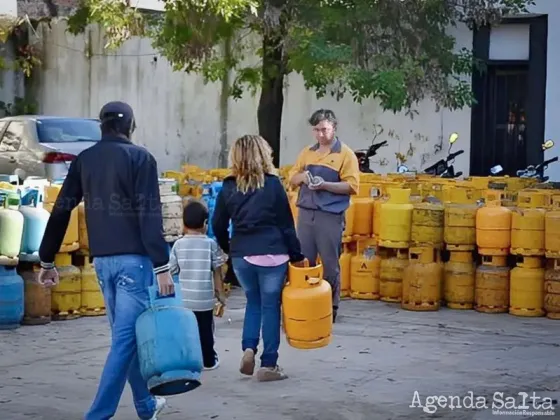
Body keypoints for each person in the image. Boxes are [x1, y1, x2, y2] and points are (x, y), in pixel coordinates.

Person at [37, 101, 174, 420]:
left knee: (126, 341)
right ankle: (97, 415)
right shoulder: (141, 158)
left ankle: (146, 406)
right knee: (125, 343)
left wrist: (47, 260)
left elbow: (61, 210)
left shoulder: (85, 161)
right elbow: (149, 214)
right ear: (130, 127)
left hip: (102, 264)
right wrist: (162, 265)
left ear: (101, 126)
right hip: (134, 264)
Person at [212, 134, 305, 382]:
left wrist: (229, 248)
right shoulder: (273, 184)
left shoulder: (229, 186)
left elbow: (218, 224)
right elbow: (286, 225)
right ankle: (269, 364)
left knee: (253, 303)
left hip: (243, 255)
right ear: (264, 155)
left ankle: (248, 349)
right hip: (273, 254)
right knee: (270, 307)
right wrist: (297, 256)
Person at [289, 109, 359, 323]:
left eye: (325, 130)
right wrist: (303, 178)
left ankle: (331, 306)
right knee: (304, 260)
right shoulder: (307, 152)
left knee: (329, 262)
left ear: (334, 128)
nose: (321, 134)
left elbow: (352, 186)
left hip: (330, 214)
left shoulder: (345, 154)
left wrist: (325, 185)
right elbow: (292, 177)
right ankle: (306, 302)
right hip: (306, 212)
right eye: (317, 130)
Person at [169, 198, 228, 370]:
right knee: (206, 331)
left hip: (185, 300)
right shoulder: (210, 244)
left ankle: (188, 360)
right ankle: (208, 361)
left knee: (187, 332)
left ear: (184, 224)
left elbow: (172, 270)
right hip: (204, 300)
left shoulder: (178, 245)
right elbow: (217, 271)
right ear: (205, 223)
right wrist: (220, 294)